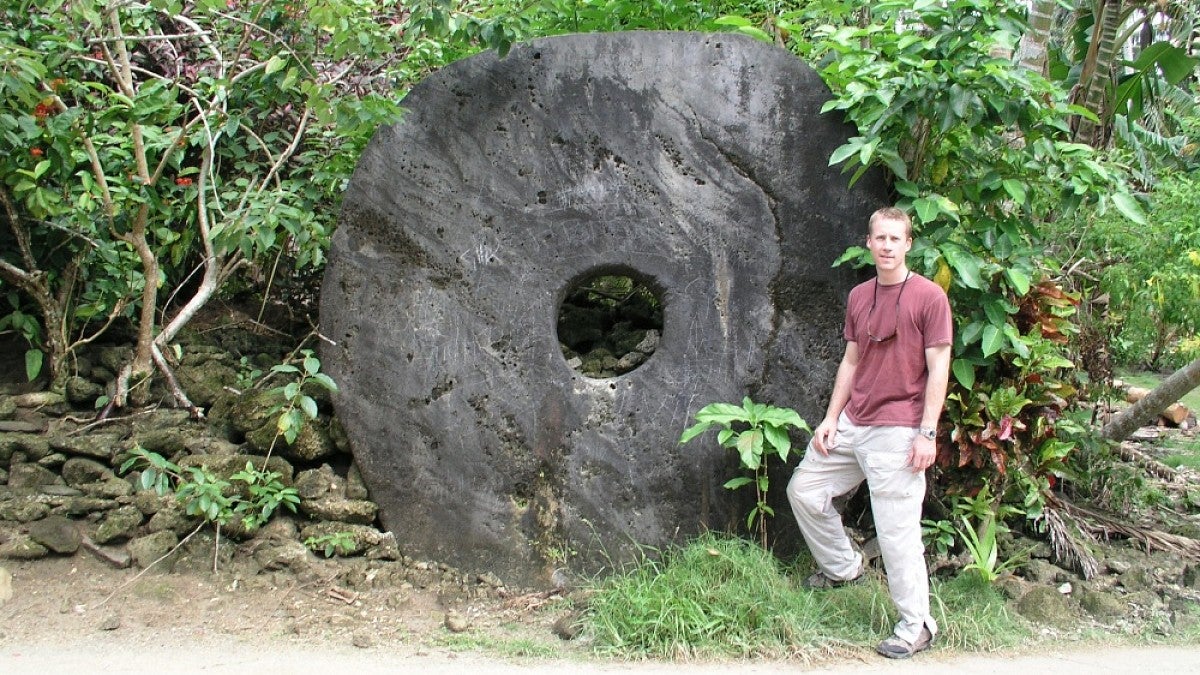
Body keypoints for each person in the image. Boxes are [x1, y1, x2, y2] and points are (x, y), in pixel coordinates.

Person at [786, 206, 952, 659]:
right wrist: (830, 418)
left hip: (899, 429)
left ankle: (916, 625)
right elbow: (852, 361)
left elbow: (939, 368)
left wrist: (928, 433)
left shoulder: (929, 297)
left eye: (895, 239)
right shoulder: (860, 295)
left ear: (908, 244)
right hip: (853, 423)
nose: (886, 246)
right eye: (880, 238)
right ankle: (843, 568)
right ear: (869, 242)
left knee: (897, 531)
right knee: (804, 490)